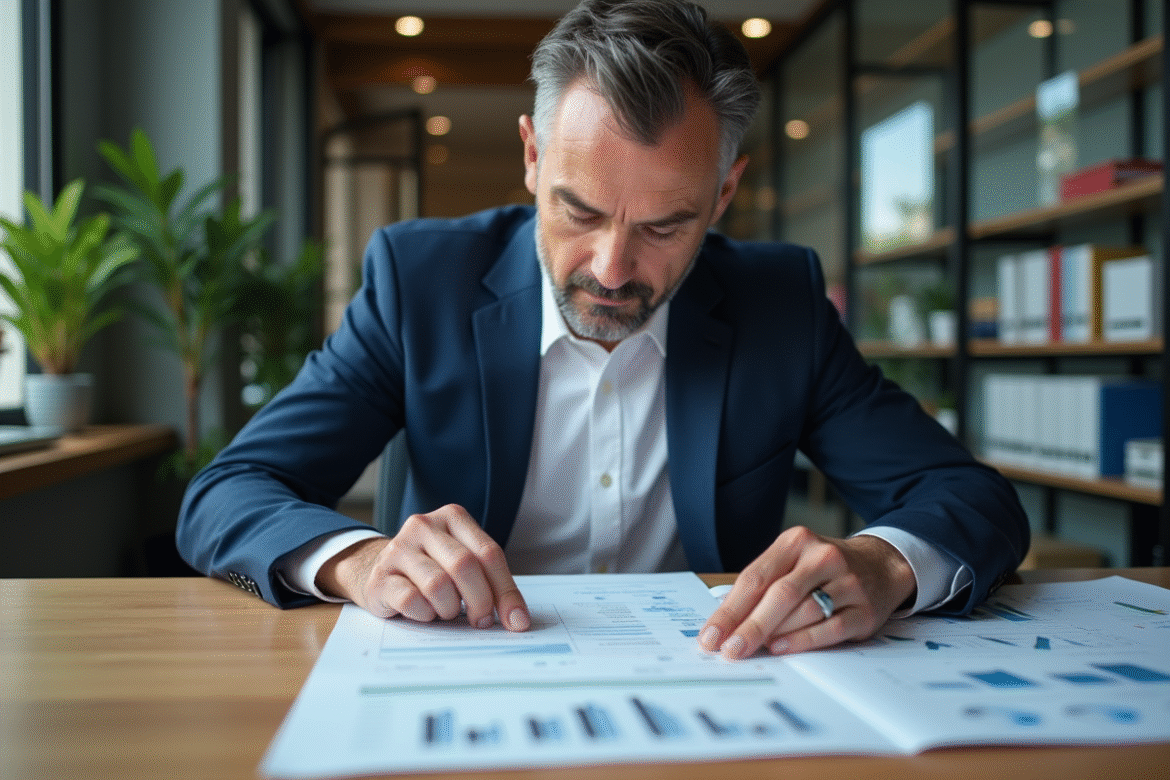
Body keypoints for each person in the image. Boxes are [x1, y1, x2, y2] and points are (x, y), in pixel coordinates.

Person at [177, 0, 1028, 661]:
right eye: (577, 212)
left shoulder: (781, 303)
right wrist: (360, 563)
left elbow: (977, 503)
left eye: (664, 226)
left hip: (717, 690)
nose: (612, 269)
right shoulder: (419, 283)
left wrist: (884, 566)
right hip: (467, 681)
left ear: (723, 195)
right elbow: (229, 491)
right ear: (531, 156)